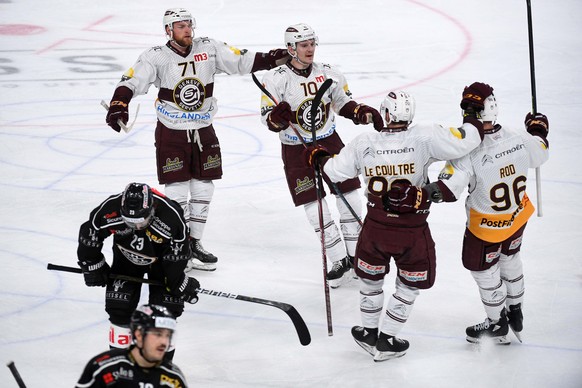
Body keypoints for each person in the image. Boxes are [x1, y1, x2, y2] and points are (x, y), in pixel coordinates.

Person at [304, 87, 487, 360]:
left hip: (375, 228)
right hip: (411, 231)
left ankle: (369, 333)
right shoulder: (425, 136)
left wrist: (318, 156)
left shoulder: (364, 142)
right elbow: (468, 140)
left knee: (370, 283)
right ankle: (387, 338)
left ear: (386, 114)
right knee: (408, 286)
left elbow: (333, 171)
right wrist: (472, 113)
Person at [105, 8, 289, 272]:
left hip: (203, 127)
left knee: (204, 188)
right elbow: (132, 81)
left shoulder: (209, 48)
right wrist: (119, 103)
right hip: (172, 128)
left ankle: (194, 243)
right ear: (168, 30)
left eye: (189, 25)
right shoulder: (155, 56)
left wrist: (274, 58)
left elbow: (242, 61)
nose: (187, 30)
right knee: (177, 189)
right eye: (180, 26)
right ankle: (176, 246)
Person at [259, 23, 384, 288]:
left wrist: (361, 112)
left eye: (312, 44)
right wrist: (277, 119)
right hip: (296, 148)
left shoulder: (329, 73)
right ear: (291, 48)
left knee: (349, 193)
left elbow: (342, 103)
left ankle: (355, 255)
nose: (310, 50)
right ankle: (338, 259)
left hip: (329, 140)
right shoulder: (276, 78)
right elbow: (267, 119)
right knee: (313, 204)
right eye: (304, 45)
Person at [430, 83, 550, 344]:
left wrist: (424, 193)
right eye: (467, 108)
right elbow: (540, 154)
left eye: (472, 109)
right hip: (517, 218)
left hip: (485, 227)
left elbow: (448, 190)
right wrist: (538, 129)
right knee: (510, 258)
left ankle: (498, 323)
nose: (468, 114)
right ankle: (515, 309)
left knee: (484, 270)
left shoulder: (467, 151)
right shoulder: (518, 135)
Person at [77, 182, 200, 357]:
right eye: (129, 221)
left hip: (162, 263)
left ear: (152, 209)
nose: (137, 227)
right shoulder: (109, 208)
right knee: (119, 308)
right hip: (126, 259)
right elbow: (90, 232)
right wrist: (93, 264)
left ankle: (161, 369)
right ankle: (120, 365)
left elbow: (179, 253)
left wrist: (177, 281)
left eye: (141, 221)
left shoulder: (170, 215)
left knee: (165, 313)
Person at [76, 304, 189, 387]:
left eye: (168, 335)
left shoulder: (174, 378)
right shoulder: (104, 367)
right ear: (139, 334)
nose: (164, 342)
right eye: (158, 334)